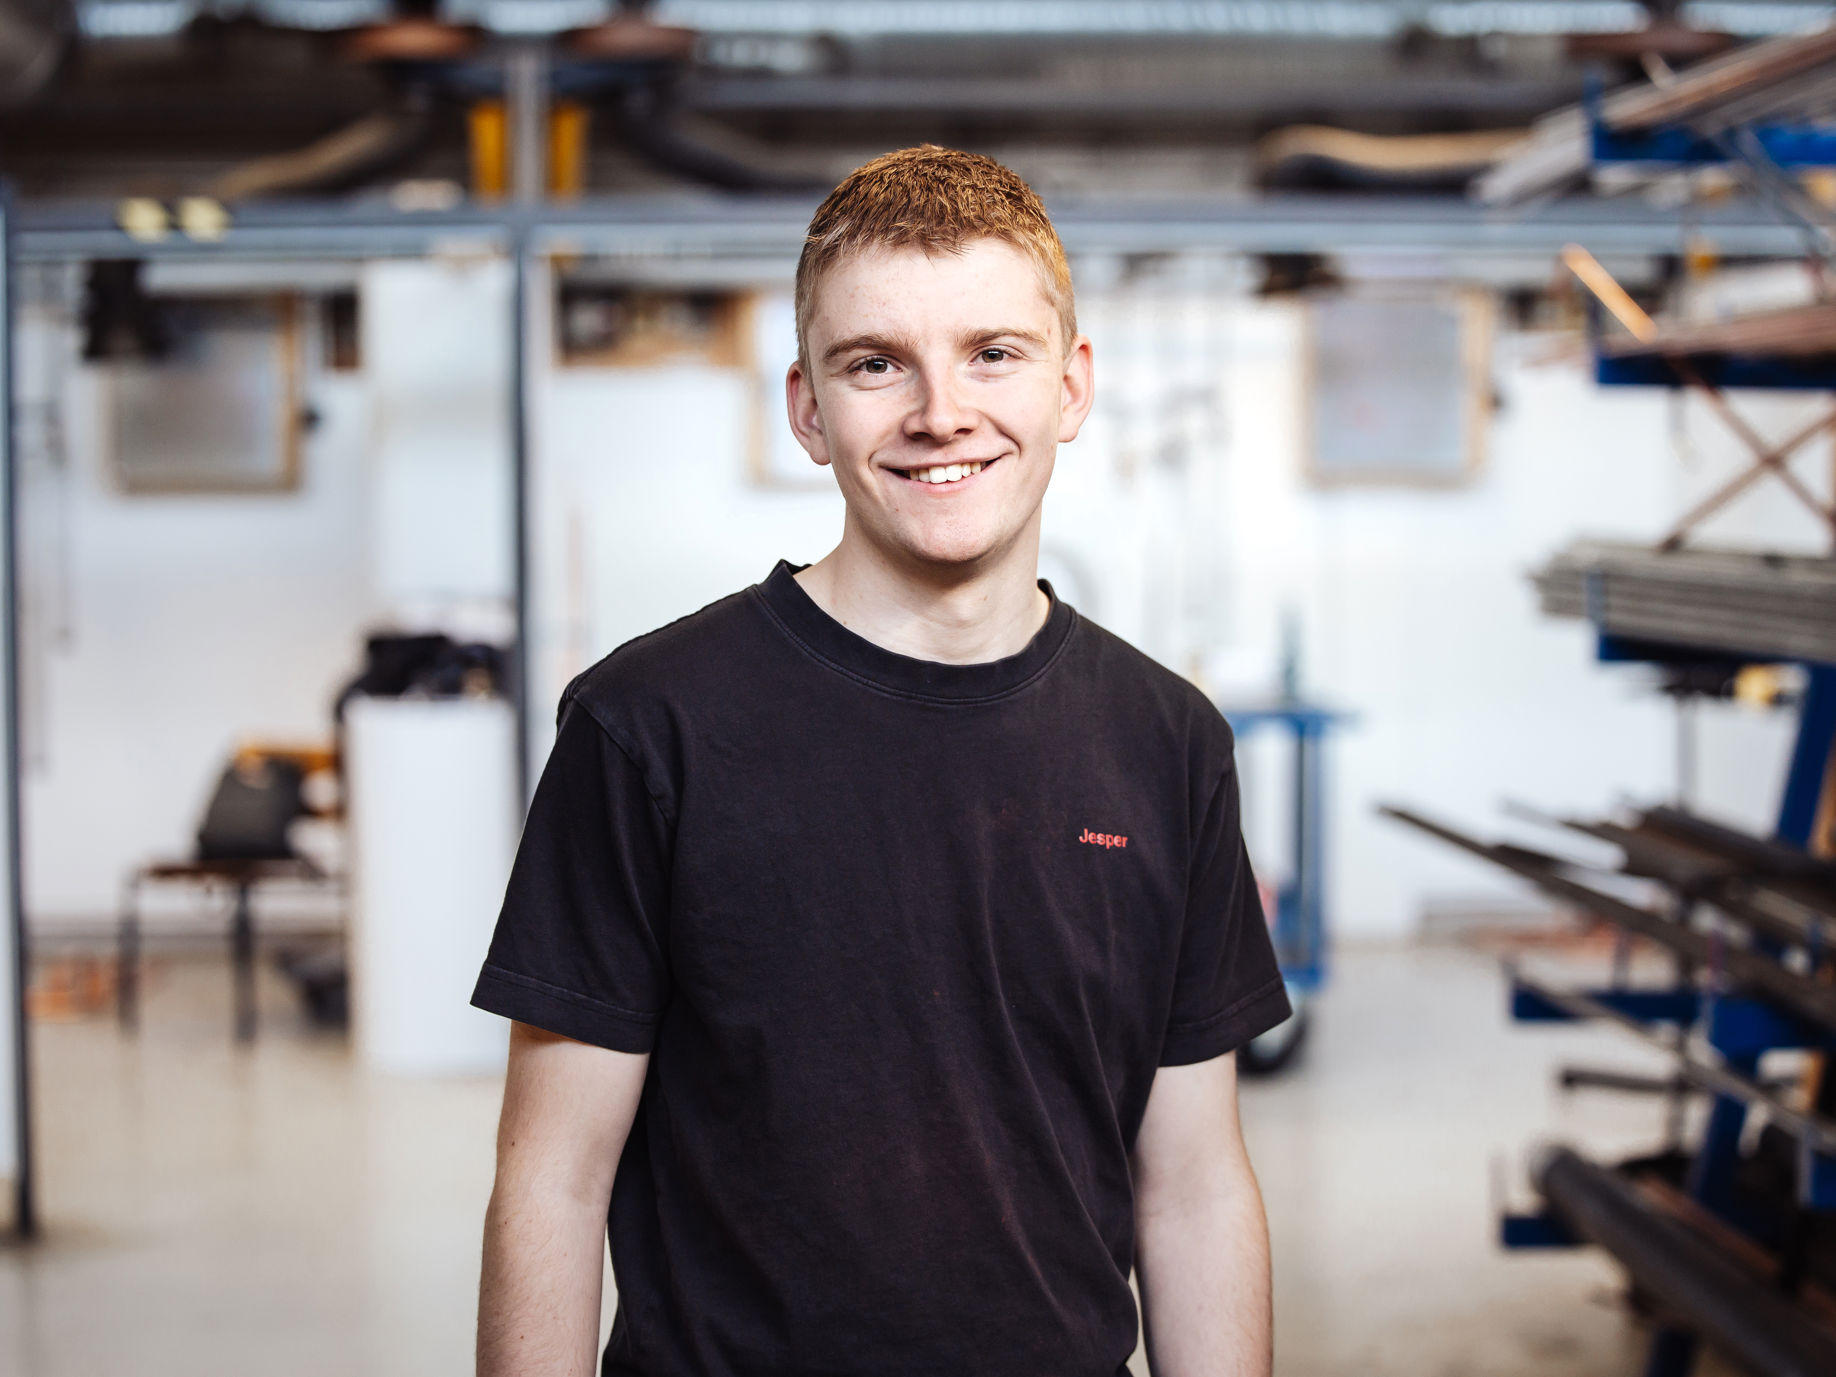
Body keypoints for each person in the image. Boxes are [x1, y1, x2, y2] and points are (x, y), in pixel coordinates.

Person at [472, 145, 1290, 1377]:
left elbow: (1193, 1186)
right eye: (875, 364)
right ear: (808, 409)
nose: (940, 413)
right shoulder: (648, 726)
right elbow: (553, 1178)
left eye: (993, 353)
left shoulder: (1168, 742)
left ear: (1072, 387)